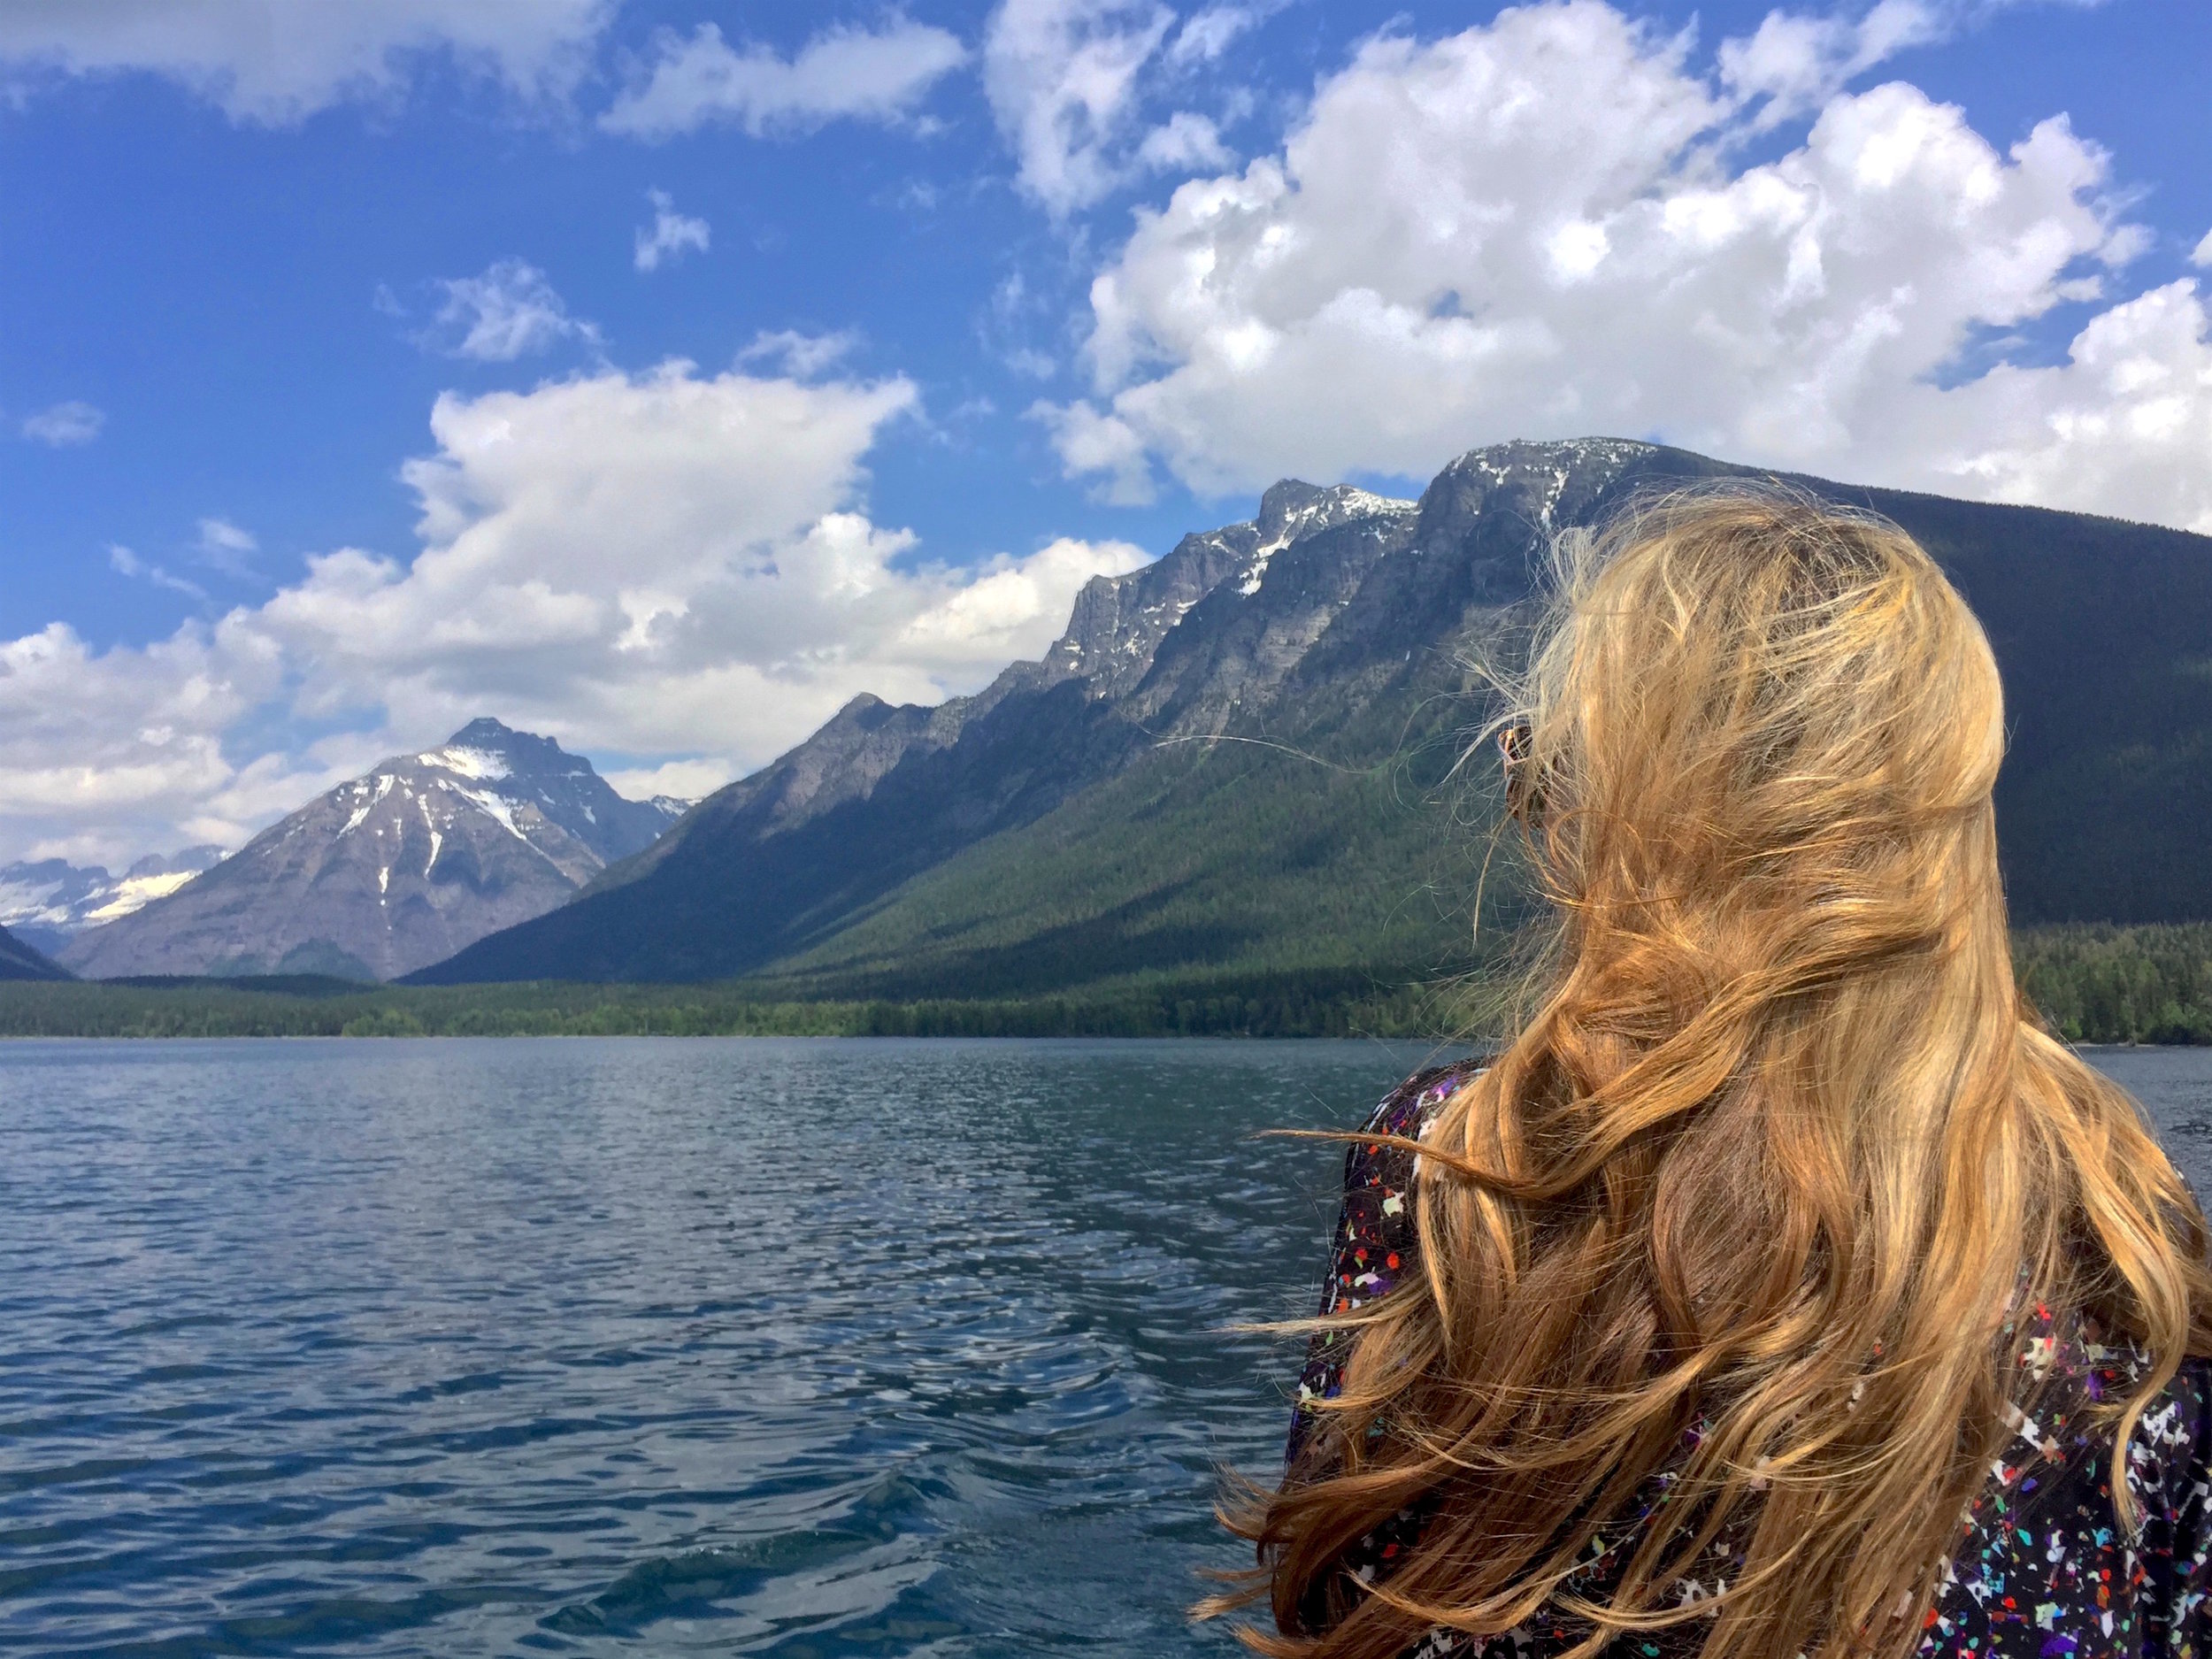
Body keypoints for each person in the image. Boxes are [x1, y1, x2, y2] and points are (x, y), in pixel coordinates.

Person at [1202, 491, 2212, 1659]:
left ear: (1649, 827)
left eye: (1550, 781)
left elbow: (1339, 1607)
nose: (1541, 835)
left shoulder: (1462, 1175)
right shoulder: (2129, 1254)